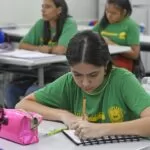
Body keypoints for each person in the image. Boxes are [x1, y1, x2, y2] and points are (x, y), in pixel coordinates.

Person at [16, 30, 150, 140]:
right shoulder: (68, 82)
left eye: (93, 75)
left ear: (105, 65)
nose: (85, 83)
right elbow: (23, 105)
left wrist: (101, 129)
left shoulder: (122, 80)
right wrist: (64, 115)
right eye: (78, 75)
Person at [5, 0, 77, 108]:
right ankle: (13, 121)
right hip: (38, 71)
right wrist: (39, 48)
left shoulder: (69, 23)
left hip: (58, 72)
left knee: (31, 91)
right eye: (42, 6)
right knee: (11, 90)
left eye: (48, 7)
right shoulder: (41, 23)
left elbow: (62, 49)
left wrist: (48, 49)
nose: (43, 10)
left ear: (59, 10)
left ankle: (31, 122)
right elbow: (23, 45)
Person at [93, 0, 140, 72]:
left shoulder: (131, 26)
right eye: (107, 11)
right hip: (101, 58)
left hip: (120, 61)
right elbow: (91, 35)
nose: (109, 16)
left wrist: (112, 44)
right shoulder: (103, 22)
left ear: (124, 12)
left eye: (114, 13)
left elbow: (135, 54)